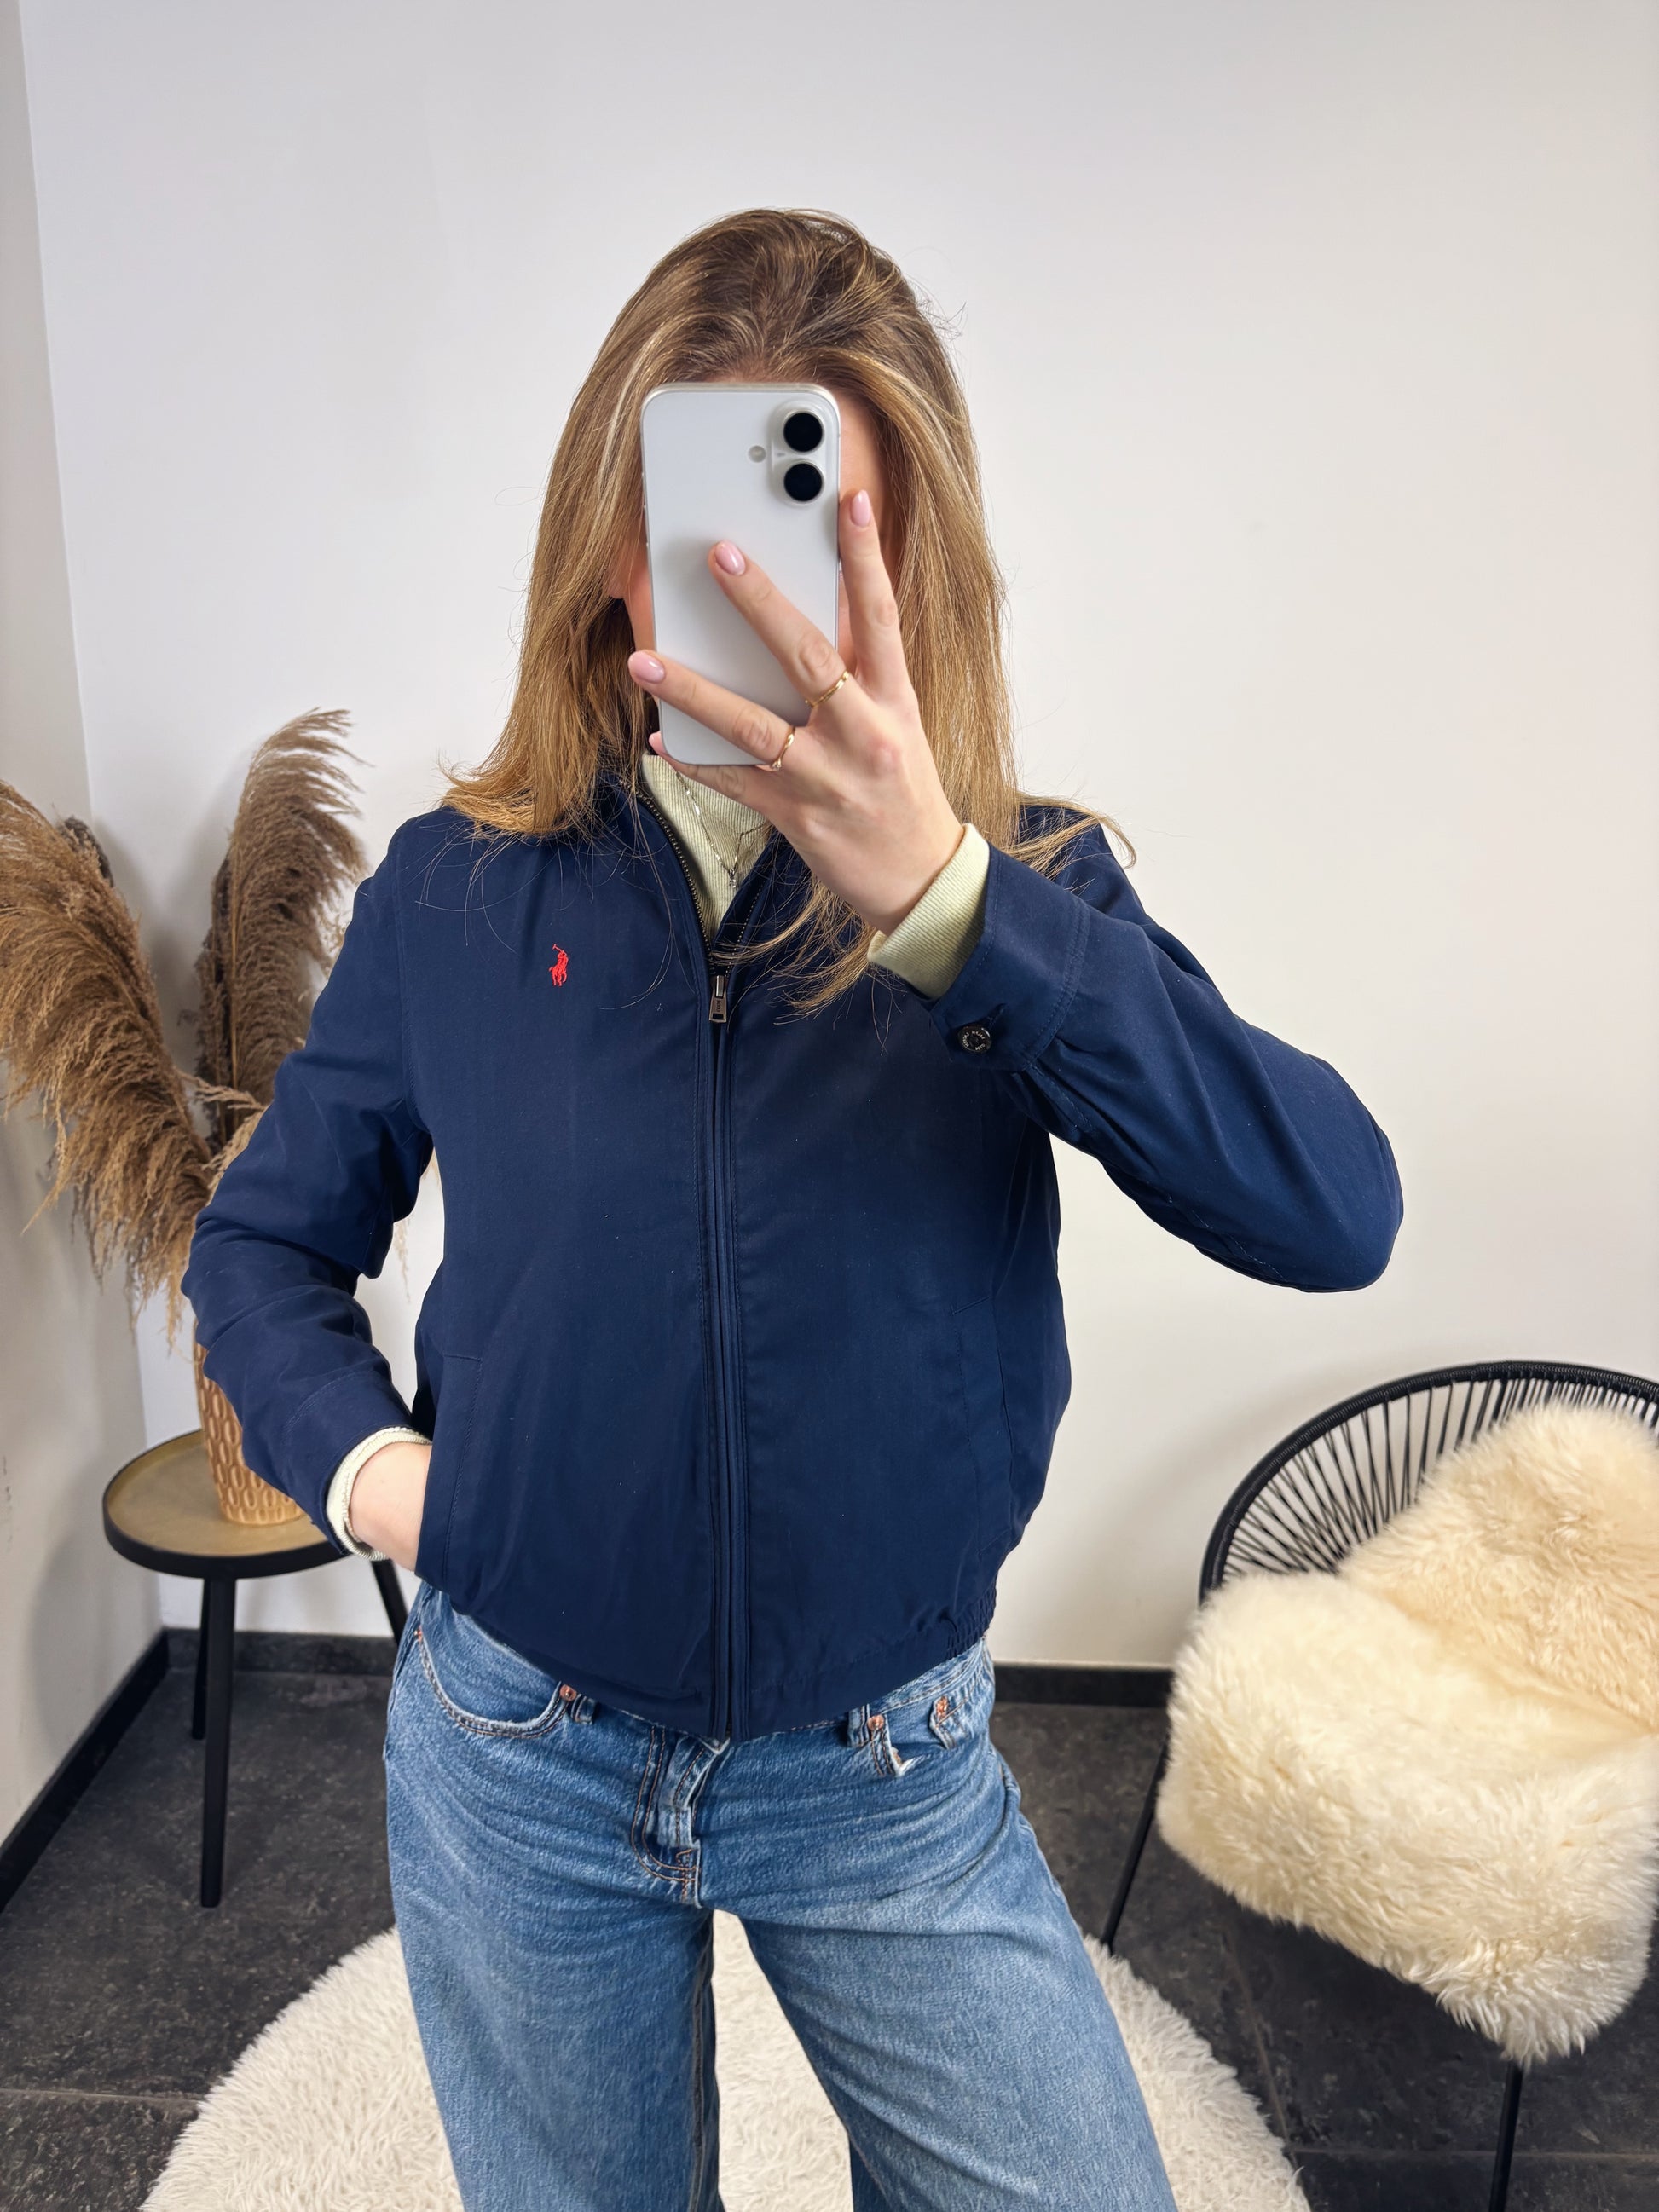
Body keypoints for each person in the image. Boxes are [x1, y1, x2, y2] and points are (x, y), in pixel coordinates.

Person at [182, 206, 1402, 2211]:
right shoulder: (456, 890)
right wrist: (388, 1483)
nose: (762, 583)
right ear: (609, 544)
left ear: (913, 557)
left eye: (823, 524)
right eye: (701, 519)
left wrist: (952, 905)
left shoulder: (1030, 895)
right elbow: (260, 1243)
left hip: (883, 1767)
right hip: (519, 1744)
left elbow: (1332, 1208)